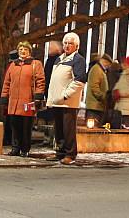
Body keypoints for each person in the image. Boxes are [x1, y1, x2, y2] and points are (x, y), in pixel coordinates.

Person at [46, 32, 87, 165]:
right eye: (65, 43)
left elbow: (80, 80)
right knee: (59, 129)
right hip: (57, 101)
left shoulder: (78, 60)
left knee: (68, 130)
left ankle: (70, 154)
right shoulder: (59, 59)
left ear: (77, 46)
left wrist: (65, 95)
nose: (67, 45)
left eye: (70, 43)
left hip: (68, 103)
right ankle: (60, 152)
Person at [1, 41, 45, 157]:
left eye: (25, 49)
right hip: (14, 102)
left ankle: (25, 149)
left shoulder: (36, 64)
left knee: (26, 127)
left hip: (28, 101)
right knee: (15, 126)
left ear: (29, 51)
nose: (23, 51)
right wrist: (4, 97)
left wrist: (38, 96)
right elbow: (7, 82)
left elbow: (40, 81)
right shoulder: (13, 65)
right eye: (20, 49)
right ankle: (15, 148)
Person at [38, 41, 62, 126]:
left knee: (52, 109)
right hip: (49, 88)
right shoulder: (52, 59)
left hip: (52, 88)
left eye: (51, 47)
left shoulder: (57, 60)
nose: (49, 49)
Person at [85, 54, 112, 127]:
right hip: (94, 106)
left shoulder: (100, 70)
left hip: (97, 105)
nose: (108, 66)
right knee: (92, 129)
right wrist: (104, 98)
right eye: (108, 64)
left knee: (95, 128)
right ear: (105, 62)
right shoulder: (97, 70)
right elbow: (94, 88)